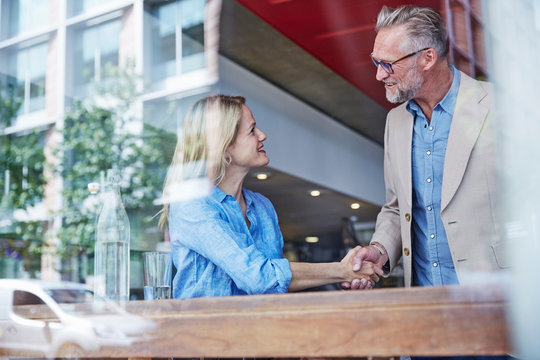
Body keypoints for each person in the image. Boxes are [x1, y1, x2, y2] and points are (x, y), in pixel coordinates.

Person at [345, 5, 511, 360]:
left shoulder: (500, 107)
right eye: (376, 61)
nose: (379, 75)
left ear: (427, 58)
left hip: (498, 310)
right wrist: (379, 249)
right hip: (427, 319)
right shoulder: (396, 123)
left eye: (387, 64)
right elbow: (395, 208)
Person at [158, 94, 381, 299]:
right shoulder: (192, 205)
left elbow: (276, 282)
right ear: (224, 147)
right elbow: (258, 277)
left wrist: (344, 274)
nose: (262, 135)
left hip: (262, 333)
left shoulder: (262, 206)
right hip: (205, 337)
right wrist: (341, 271)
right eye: (252, 130)